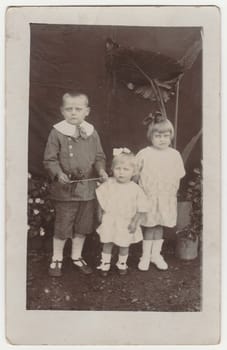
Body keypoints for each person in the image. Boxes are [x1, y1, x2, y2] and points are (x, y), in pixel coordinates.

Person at [43, 91, 108, 277]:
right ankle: (57, 258)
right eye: (69, 109)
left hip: (86, 190)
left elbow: (99, 157)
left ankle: (76, 256)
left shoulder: (91, 132)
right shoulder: (57, 133)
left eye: (78, 109)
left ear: (86, 111)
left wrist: (102, 170)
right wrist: (58, 173)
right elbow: (49, 160)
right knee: (63, 225)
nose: (73, 113)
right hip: (65, 189)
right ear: (62, 111)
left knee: (83, 226)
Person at [136, 113, 185, 271]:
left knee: (160, 225)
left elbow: (178, 175)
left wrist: (171, 192)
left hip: (165, 197)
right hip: (149, 197)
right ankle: (145, 256)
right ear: (151, 136)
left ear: (171, 136)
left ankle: (156, 255)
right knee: (150, 225)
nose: (162, 139)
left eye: (166, 135)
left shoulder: (174, 155)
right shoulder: (145, 153)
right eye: (158, 136)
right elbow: (136, 174)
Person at [96, 148, 148, 276]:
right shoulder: (109, 184)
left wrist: (135, 222)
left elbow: (141, 208)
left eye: (126, 169)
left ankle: (122, 263)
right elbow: (101, 198)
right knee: (107, 241)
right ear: (112, 169)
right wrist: (100, 214)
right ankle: (105, 263)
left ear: (133, 171)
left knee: (124, 243)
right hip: (110, 219)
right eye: (118, 168)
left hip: (126, 220)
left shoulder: (135, 189)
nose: (121, 173)